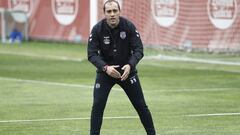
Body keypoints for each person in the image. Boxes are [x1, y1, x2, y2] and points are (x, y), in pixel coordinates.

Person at [87, 0, 156, 134]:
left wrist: (130, 65)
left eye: (115, 11)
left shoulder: (128, 26)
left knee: (141, 106)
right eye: (109, 11)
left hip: (127, 73)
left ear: (119, 12)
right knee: (97, 106)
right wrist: (106, 68)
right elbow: (91, 54)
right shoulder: (97, 29)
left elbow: (139, 49)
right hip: (105, 73)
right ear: (104, 13)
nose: (112, 14)